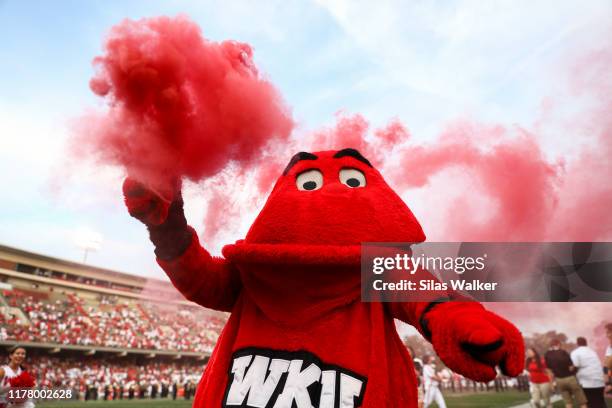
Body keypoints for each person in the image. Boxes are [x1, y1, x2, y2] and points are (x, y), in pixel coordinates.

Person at [544, 339, 587, 408]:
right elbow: (571, 368)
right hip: (570, 378)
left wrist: (551, 384)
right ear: (558, 344)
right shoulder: (563, 352)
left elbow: (549, 371)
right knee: (582, 402)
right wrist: (576, 368)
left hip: (559, 380)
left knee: (568, 403)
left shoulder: (547, 354)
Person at [571, 337, 606, 408]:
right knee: (600, 403)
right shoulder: (592, 351)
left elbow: (575, 366)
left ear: (577, 344)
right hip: (600, 381)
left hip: (587, 383)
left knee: (590, 404)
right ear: (586, 343)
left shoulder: (575, 352)